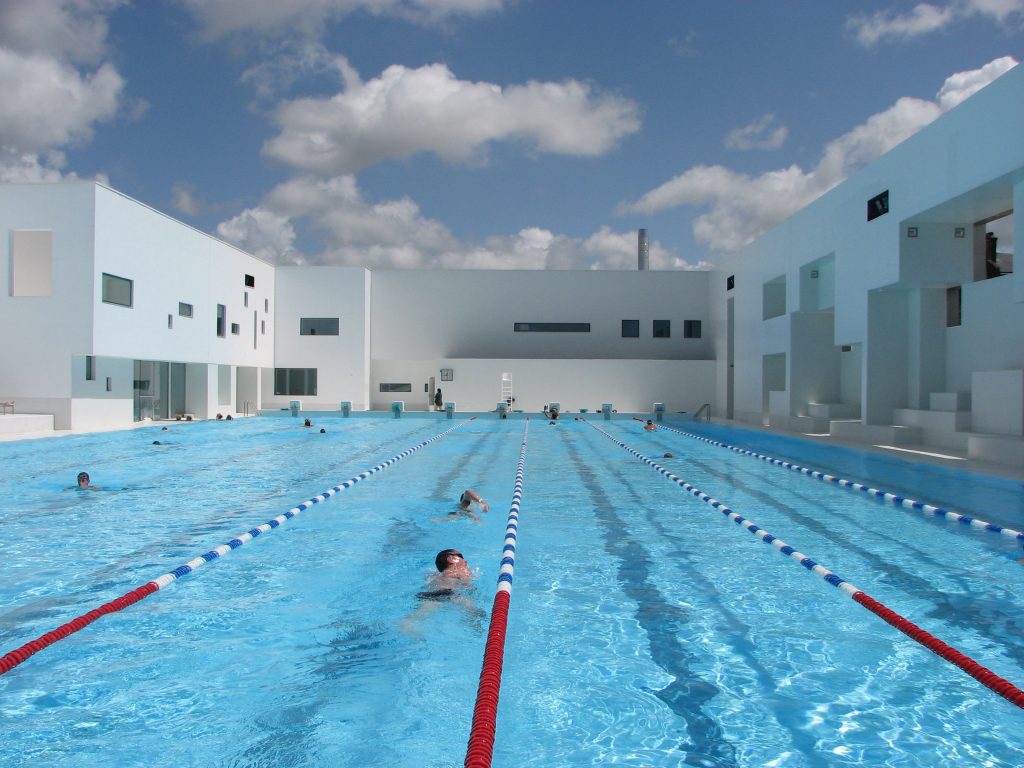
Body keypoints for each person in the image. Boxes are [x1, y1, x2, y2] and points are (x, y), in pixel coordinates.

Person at [402, 549, 484, 636]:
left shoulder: (437, 575)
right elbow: (468, 584)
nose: (465, 561)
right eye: (461, 557)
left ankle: (406, 623)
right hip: (449, 593)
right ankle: (475, 628)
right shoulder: (459, 570)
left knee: (419, 614)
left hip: (432, 593)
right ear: (451, 559)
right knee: (475, 612)